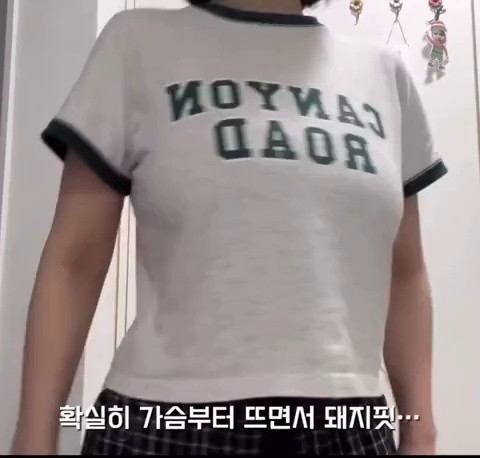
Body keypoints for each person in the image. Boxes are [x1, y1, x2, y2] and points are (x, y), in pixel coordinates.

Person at [12, 0, 447, 455]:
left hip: (348, 427)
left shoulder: (384, 75)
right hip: (167, 423)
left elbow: (405, 271)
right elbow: (74, 260)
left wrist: (421, 432)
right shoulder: (136, 44)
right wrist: (35, 435)